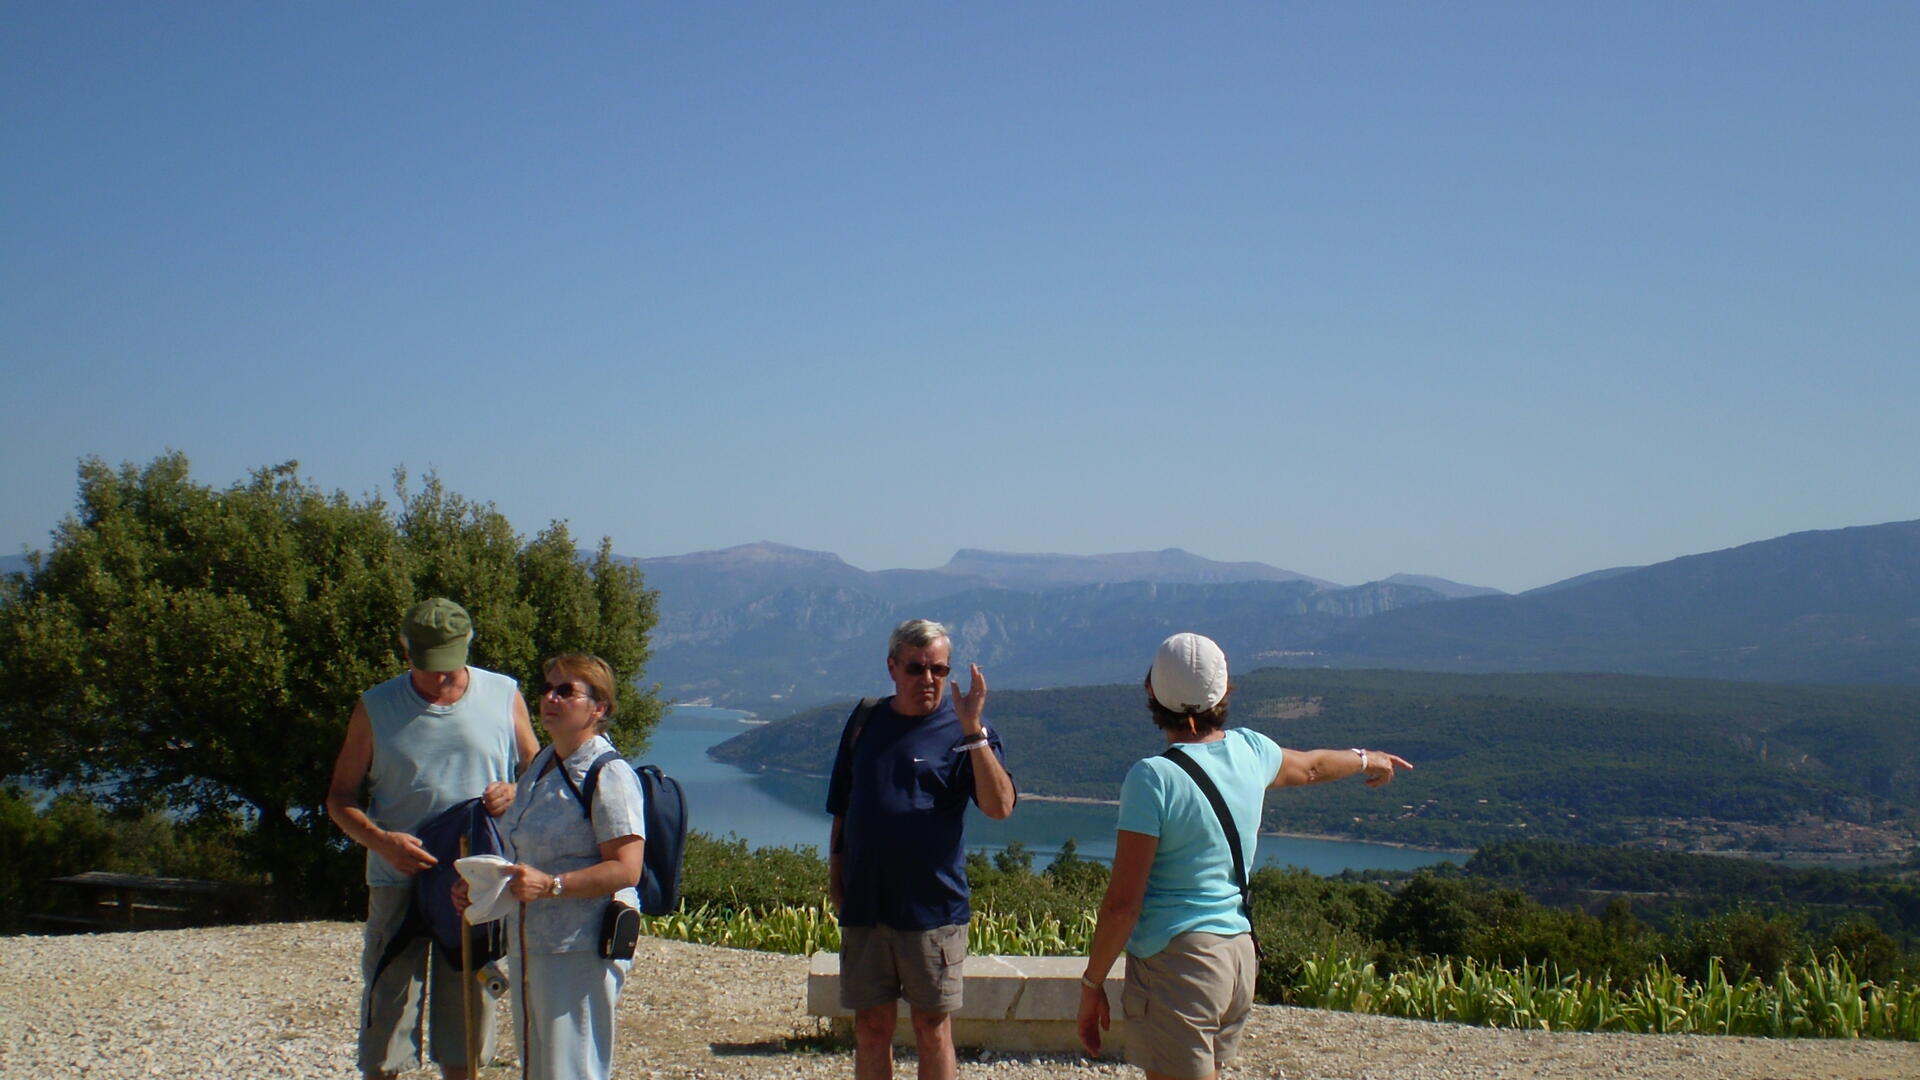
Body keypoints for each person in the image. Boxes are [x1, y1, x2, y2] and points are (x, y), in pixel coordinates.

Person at [1076, 633, 1413, 1080]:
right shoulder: (1251, 750)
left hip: (1180, 961)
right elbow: (1313, 766)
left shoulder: (1153, 778)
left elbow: (1123, 905)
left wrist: (1092, 982)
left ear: (1151, 691)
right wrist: (1368, 759)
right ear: (1223, 691)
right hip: (1237, 955)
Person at [326, 598, 541, 1080]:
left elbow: (537, 773)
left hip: (474, 878)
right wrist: (382, 842)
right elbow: (339, 798)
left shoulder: (503, 694)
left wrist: (514, 790)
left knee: (467, 1006)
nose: (439, 677)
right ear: (405, 649)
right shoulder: (376, 706)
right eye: (426, 664)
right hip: (397, 875)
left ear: (468, 645)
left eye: (448, 664)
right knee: (388, 1004)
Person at [826, 618, 1017, 1080]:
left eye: (939, 669)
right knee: (871, 1029)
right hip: (867, 907)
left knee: (932, 1029)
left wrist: (973, 730)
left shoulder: (967, 732)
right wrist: (836, 880)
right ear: (892, 667)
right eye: (916, 668)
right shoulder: (866, 720)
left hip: (933, 911)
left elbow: (1000, 807)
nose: (928, 679)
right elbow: (843, 808)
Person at [464, 652, 646, 1080]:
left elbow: (627, 868)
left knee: (572, 1068)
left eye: (566, 691)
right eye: (547, 688)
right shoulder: (542, 765)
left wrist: (552, 885)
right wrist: (483, 883)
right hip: (532, 943)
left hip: (579, 948)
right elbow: (524, 849)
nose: (550, 698)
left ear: (598, 708)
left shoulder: (607, 774)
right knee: (539, 1066)